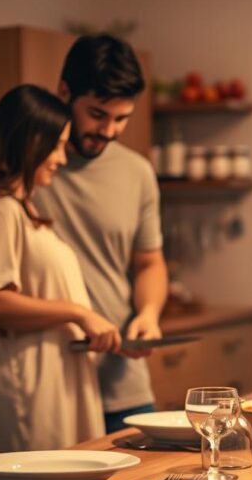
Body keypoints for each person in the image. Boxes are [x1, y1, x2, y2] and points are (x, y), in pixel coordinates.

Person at [0, 84, 124, 454]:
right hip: (29, 384)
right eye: (57, 145)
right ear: (30, 142)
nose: (62, 158)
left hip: (52, 378)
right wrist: (79, 313)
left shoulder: (18, 211)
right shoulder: (1, 212)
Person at [33, 34, 169, 432]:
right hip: (52, 382)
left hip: (123, 383)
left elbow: (149, 263)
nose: (108, 130)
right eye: (97, 114)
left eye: (121, 118)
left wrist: (148, 314)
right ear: (63, 92)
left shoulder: (137, 171)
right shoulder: (31, 169)